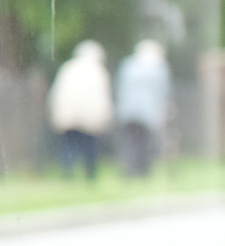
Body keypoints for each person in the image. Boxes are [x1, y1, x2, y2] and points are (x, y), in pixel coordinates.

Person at [46, 38, 113, 177]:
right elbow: (102, 97)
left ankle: (67, 173)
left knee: (70, 146)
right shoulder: (98, 71)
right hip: (90, 118)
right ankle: (90, 175)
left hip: (69, 116)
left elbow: (57, 93)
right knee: (90, 148)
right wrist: (105, 116)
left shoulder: (68, 68)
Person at [113, 38, 172, 179]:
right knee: (145, 143)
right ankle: (142, 171)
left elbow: (119, 87)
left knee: (130, 143)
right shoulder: (158, 68)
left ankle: (130, 170)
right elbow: (164, 91)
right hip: (148, 113)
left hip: (127, 111)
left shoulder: (128, 66)